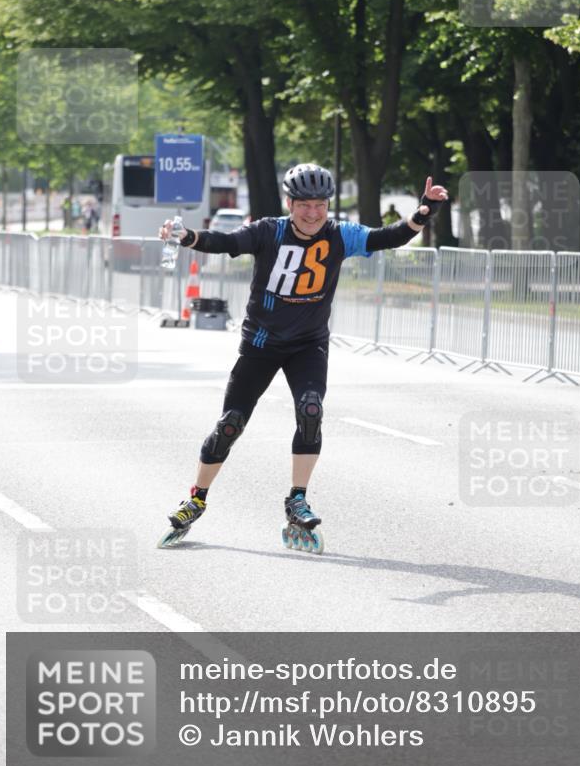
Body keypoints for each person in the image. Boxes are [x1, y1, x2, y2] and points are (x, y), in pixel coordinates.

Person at [157, 163, 448, 550]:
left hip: (309, 343)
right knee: (231, 423)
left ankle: (297, 499)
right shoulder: (268, 231)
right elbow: (226, 243)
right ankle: (196, 498)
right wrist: (187, 236)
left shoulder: (341, 235)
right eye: (304, 205)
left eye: (320, 205)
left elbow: (389, 238)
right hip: (260, 344)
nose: (313, 214)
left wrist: (424, 211)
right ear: (290, 203)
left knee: (311, 411)